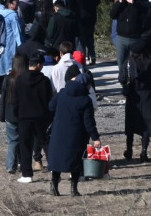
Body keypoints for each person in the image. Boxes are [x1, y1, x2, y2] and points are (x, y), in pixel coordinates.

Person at [47, 65, 102, 196]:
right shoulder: (85, 100)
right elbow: (89, 122)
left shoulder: (61, 93)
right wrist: (95, 138)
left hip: (59, 132)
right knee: (76, 162)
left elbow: (50, 106)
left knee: (57, 161)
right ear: (86, 85)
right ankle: (74, 190)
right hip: (76, 135)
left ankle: (54, 186)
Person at [15, 52, 55, 184]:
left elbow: (15, 100)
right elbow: (49, 100)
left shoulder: (20, 79)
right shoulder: (44, 81)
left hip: (24, 117)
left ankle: (27, 174)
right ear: (38, 65)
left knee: (25, 145)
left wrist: (17, 114)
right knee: (45, 142)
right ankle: (55, 167)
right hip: (41, 116)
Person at [124, 41, 151, 161]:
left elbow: (122, 77)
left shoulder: (130, 61)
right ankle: (144, 151)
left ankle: (129, 149)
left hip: (133, 94)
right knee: (146, 124)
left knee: (130, 124)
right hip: (147, 94)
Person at [0, 54, 28, 174]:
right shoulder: (26, 78)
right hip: (23, 115)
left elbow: (3, 99)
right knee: (24, 141)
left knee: (12, 141)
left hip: (10, 116)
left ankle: (11, 165)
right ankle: (23, 163)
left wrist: (2, 116)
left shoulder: (8, 78)